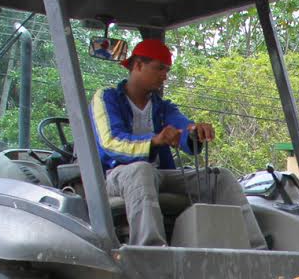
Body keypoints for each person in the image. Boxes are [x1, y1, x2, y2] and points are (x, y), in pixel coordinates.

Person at [92, 38, 265, 248]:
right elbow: (111, 142)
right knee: (141, 170)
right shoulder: (106, 98)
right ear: (138, 65)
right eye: (160, 69)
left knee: (221, 178)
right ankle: (151, 252)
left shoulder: (162, 107)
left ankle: (257, 251)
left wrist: (194, 132)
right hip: (116, 177)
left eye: (167, 70)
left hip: (159, 175)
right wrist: (154, 141)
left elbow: (183, 127)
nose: (165, 76)